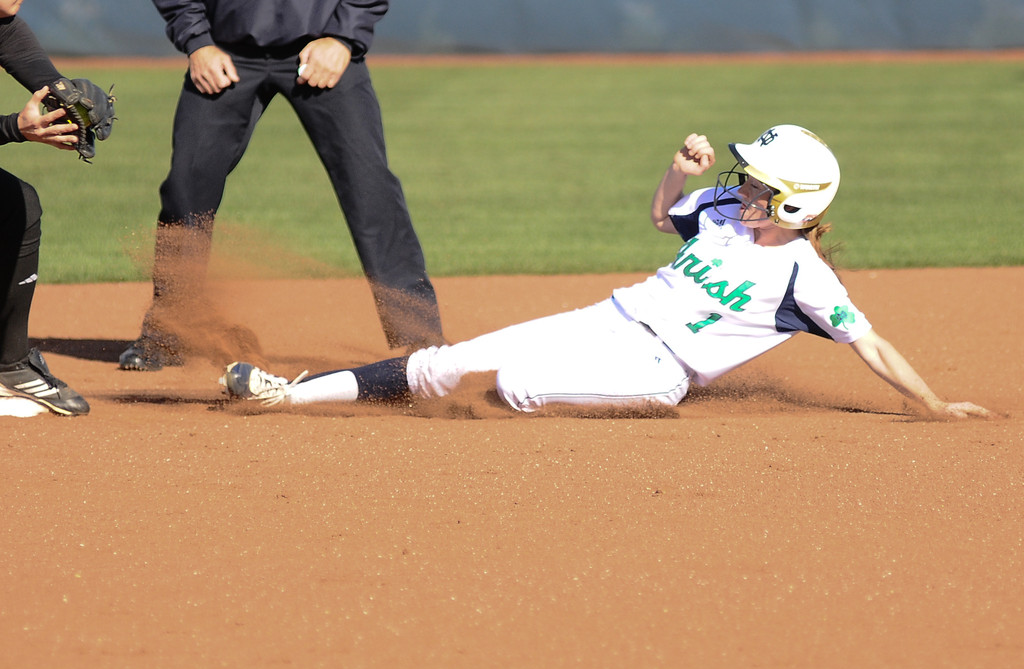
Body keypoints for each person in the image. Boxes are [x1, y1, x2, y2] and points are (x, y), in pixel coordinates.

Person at [221, 124, 994, 421]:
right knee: (445, 363)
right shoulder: (723, 206)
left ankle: (589, 398)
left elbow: (871, 344)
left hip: (662, 369)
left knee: (518, 386)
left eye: (763, 183)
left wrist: (929, 403)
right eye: (749, 174)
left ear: (795, 205)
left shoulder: (804, 279)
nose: (744, 183)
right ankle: (287, 395)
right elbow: (664, 217)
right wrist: (673, 170)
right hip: (612, 317)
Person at [120, 0, 444, 371]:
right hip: (225, 54)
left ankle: (422, 340)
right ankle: (170, 330)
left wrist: (342, 36)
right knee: (186, 187)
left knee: (370, 190)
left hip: (321, 51)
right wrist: (198, 41)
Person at [0, 1, 90, 416]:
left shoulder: (3, 24)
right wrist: (13, 129)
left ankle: (11, 368)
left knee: (15, 203)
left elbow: (36, 70)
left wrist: (67, 100)